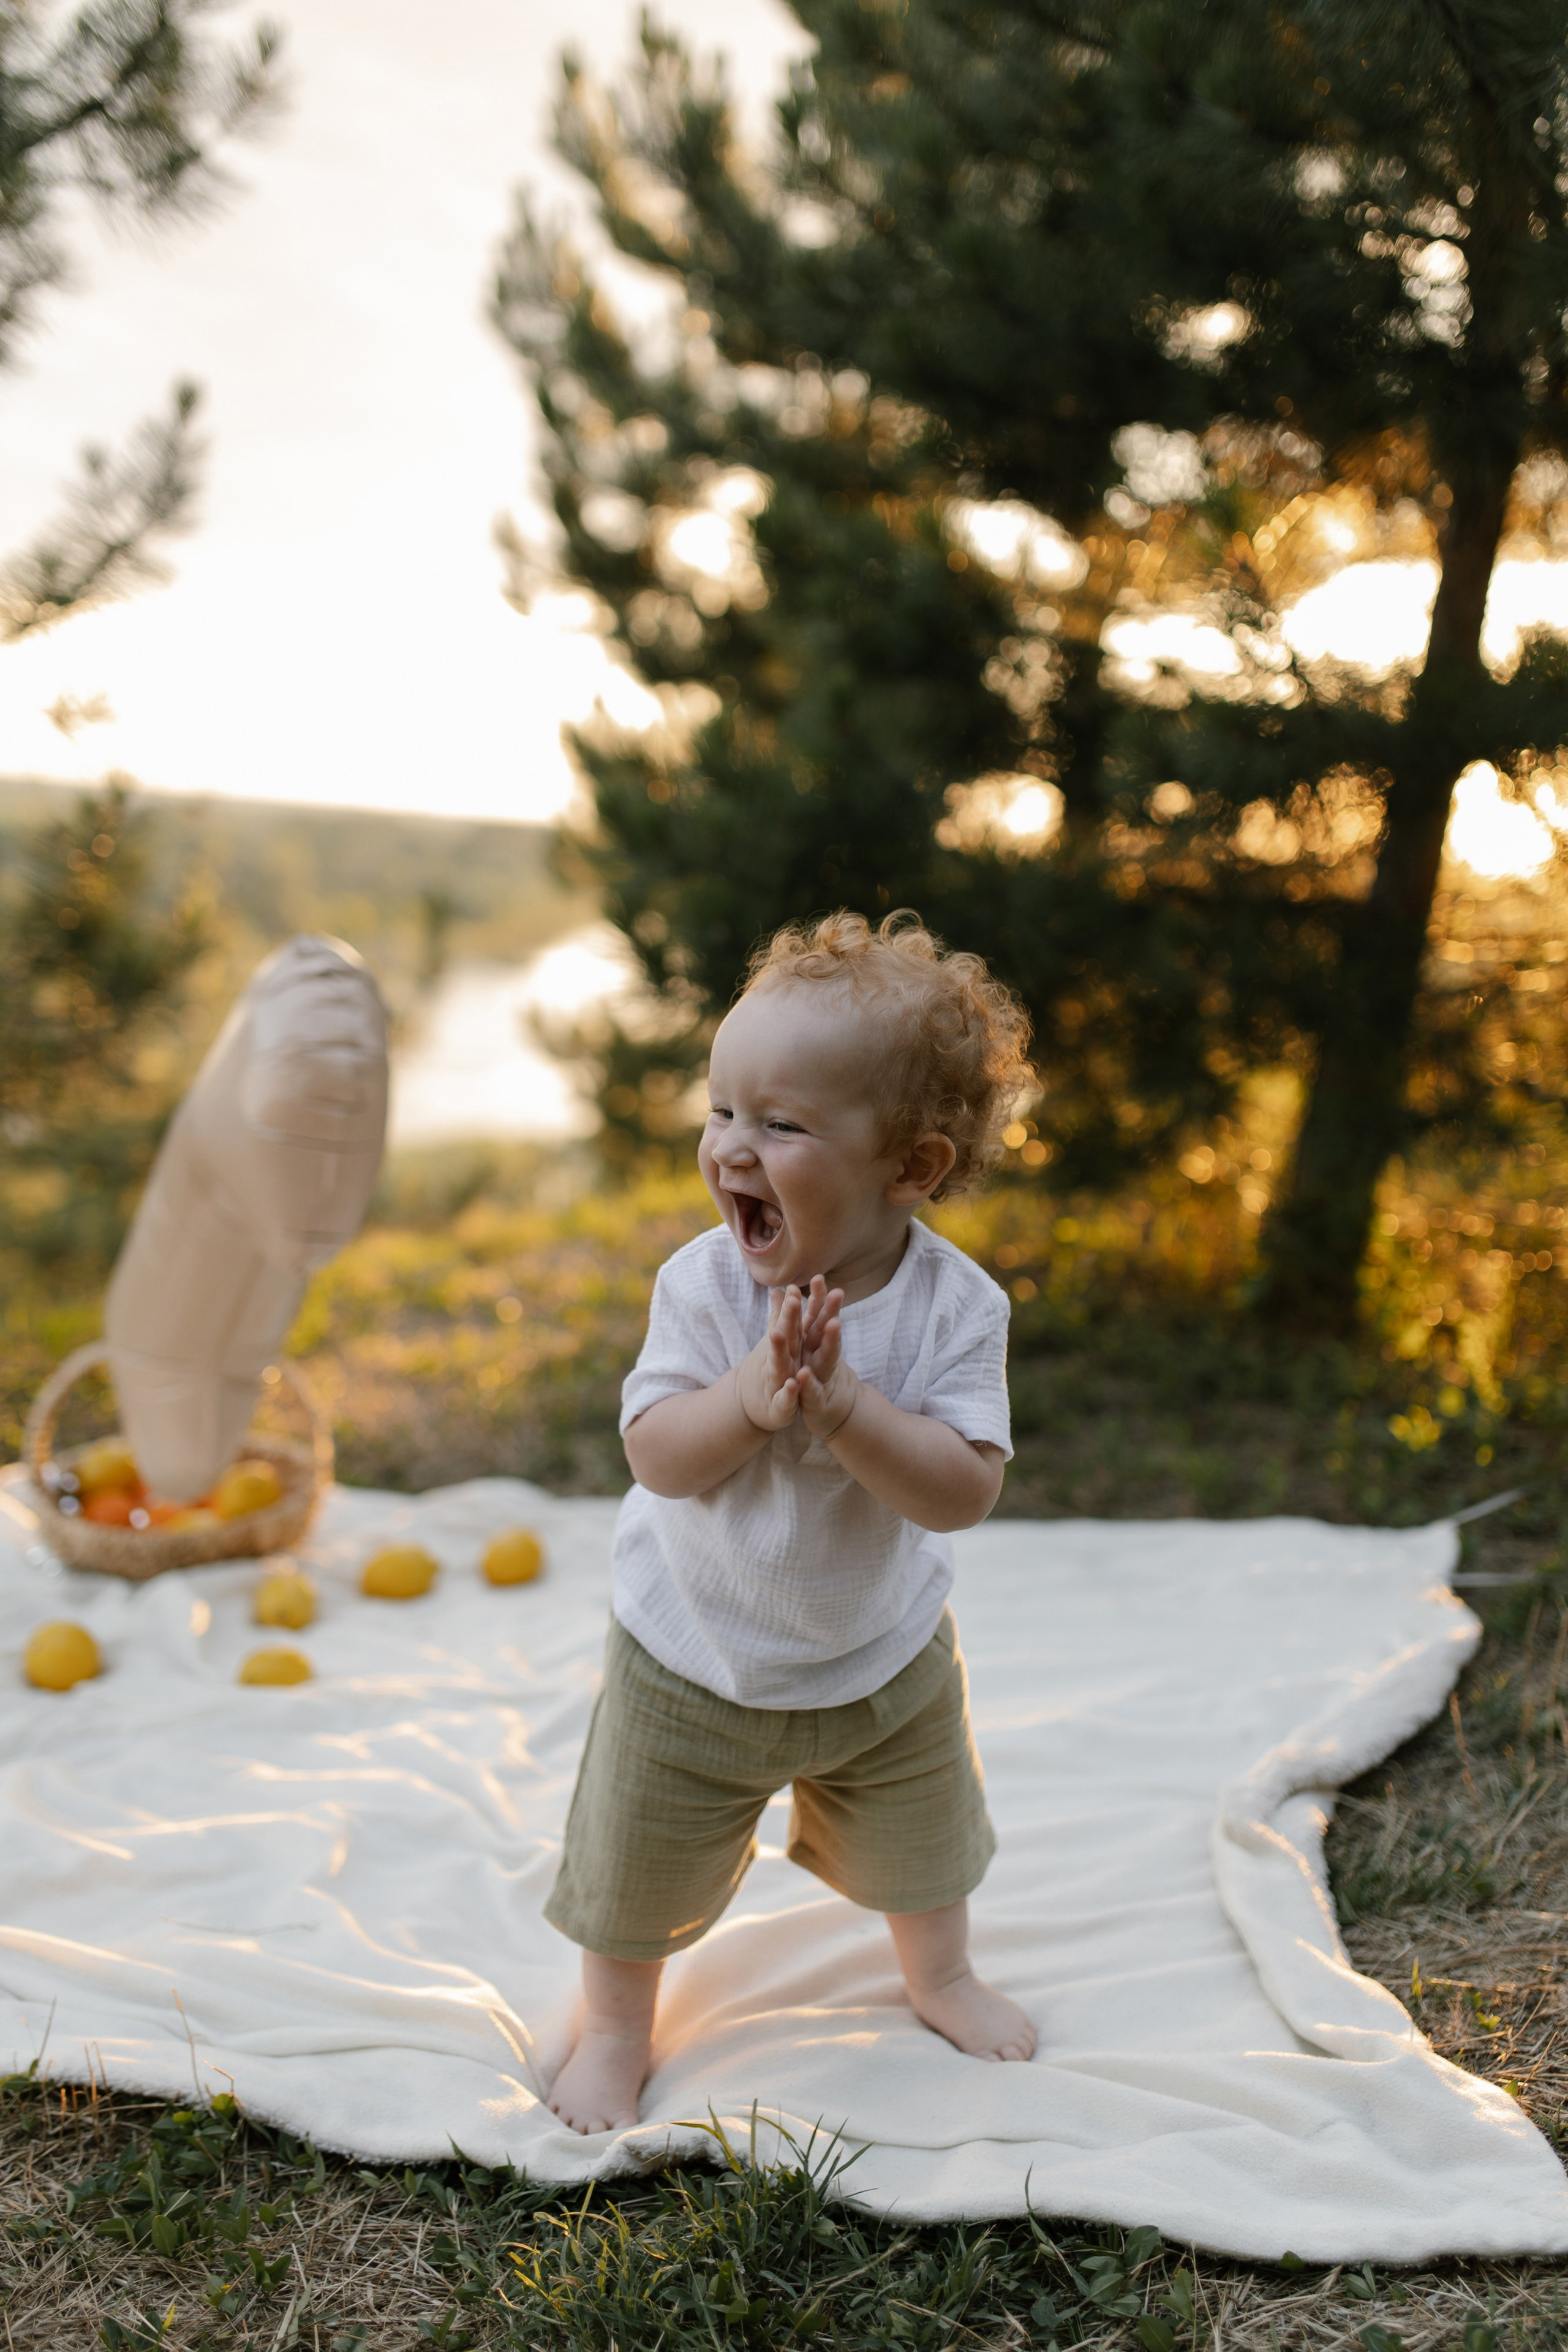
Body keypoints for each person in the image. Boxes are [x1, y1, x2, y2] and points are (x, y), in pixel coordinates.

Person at [545, 910, 1038, 2135]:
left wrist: (846, 1411)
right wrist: (756, 1400)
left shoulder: (952, 1308)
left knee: (928, 1850)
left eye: (780, 1124)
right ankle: (614, 2031)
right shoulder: (703, 1287)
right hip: (694, 1653)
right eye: (721, 1112)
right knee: (634, 1867)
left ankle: (940, 1976)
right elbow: (655, 1456)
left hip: (878, 1658)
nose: (732, 1148)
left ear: (908, 1168)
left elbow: (961, 1491)